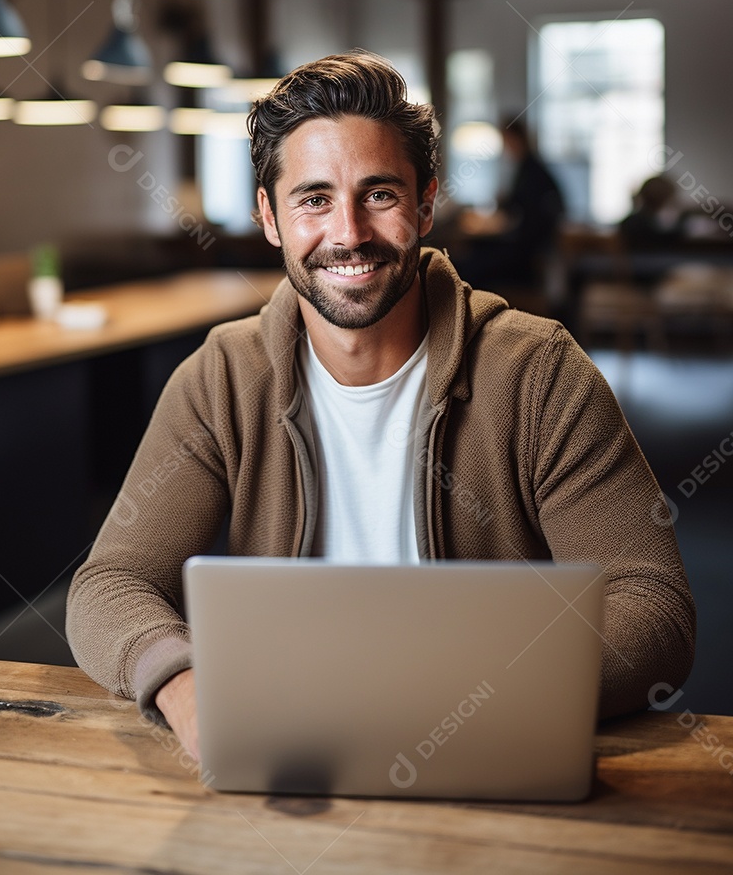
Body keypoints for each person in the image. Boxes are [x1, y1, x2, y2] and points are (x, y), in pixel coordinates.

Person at [67, 51, 695, 762]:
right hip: (289, 755)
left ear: (426, 203)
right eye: (314, 199)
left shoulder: (539, 373)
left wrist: (463, 697)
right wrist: (187, 688)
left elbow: (652, 608)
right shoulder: (221, 378)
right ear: (269, 217)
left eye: (380, 195)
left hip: (486, 750)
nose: (348, 233)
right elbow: (110, 584)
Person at [457, 118, 565, 288]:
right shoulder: (528, 168)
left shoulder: (532, 172)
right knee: (474, 254)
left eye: (506, 141)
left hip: (526, 252)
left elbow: (527, 214)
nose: (506, 148)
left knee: (469, 265)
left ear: (517, 139)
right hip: (526, 246)